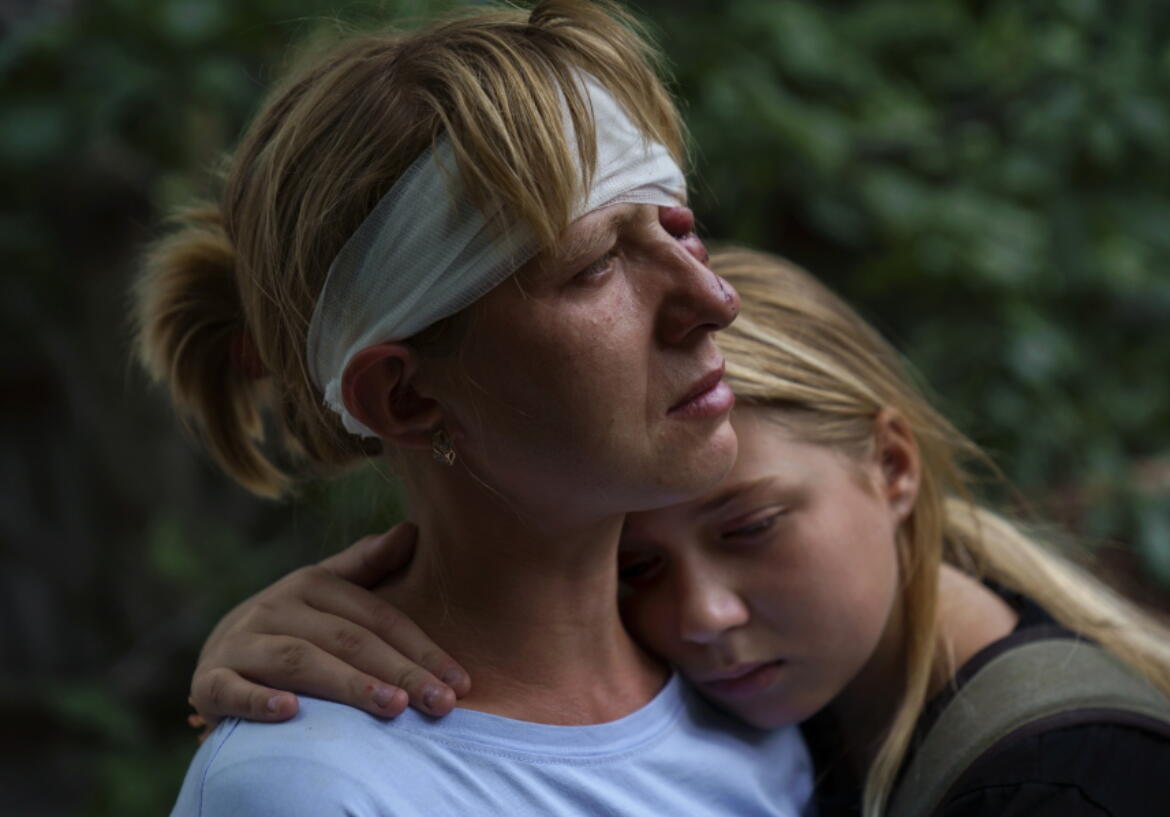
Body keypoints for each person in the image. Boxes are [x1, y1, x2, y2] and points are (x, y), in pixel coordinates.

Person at [190, 248, 1170, 816]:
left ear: (894, 466)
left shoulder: (1073, 784)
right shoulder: (782, 702)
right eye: (634, 563)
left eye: (753, 525)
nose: (702, 615)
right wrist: (284, 636)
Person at [136, 3, 816, 815]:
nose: (713, 299)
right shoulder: (317, 788)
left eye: (676, 225)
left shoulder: (765, 671)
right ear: (406, 395)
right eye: (596, 265)